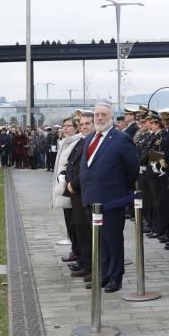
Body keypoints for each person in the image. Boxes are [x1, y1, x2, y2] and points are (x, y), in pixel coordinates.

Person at [76, 103, 139, 293]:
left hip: (111, 201)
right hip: (90, 199)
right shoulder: (90, 138)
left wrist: (119, 189)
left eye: (103, 115)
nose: (99, 118)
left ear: (111, 117)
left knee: (112, 240)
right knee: (99, 241)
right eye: (97, 115)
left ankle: (115, 276)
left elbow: (132, 169)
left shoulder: (121, 139)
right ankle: (103, 274)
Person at [66, 114, 94, 281]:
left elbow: (88, 169)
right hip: (76, 193)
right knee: (80, 230)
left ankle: (90, 266)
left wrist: (74, 183)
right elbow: (71, 164)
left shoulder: (92, 142)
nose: (84, 127)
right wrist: (67, 179)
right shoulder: (82, 141)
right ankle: (84, 263)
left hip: (84, 192)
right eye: (82, 124)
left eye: (87, 123)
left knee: (87, 232)